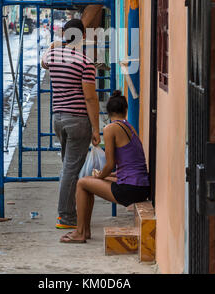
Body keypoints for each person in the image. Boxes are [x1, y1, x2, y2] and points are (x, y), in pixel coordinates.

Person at [59, 90, 150, 243]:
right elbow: (128, 166)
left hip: (130, 190)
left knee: (82, 183)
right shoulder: (130, 127)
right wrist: (106, 176)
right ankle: (84, 230)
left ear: (107, 113)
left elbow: (110, 164)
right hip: (141, 186)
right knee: (89, 184)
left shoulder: (110, 129)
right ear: (125, 110)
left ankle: (80, 232)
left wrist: (100, 175)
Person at [42, 18, 101, 230]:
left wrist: (54, 45)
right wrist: (96, 128)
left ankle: (69, 211)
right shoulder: (84, 62)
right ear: (83, 36)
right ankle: (66, 217)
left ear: (64, 35)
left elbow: (43, 61)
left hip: (58, 118)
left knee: (69, 165)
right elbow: (90, 98)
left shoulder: (53, 56)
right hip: (77, 120)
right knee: (71, 168)